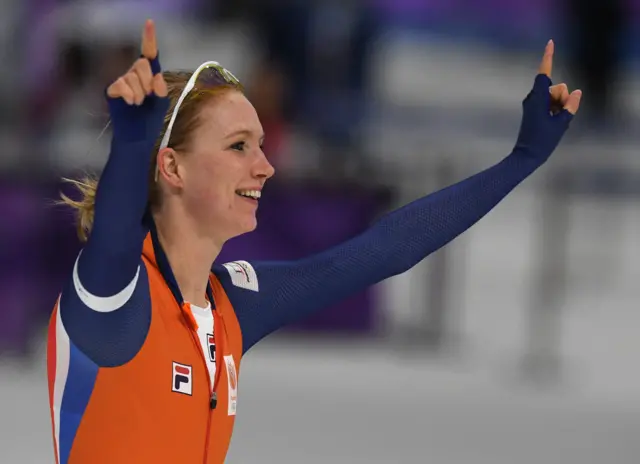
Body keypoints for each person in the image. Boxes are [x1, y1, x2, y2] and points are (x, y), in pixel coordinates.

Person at [47, 20, 581, 464]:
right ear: (172, 167)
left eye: (260, 144)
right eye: (238, 146)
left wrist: (521, 161)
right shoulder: (115, 301)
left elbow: (384, 249)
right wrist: (132, 145)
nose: (265, 165)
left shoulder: (230, 306)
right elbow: (115, 238)